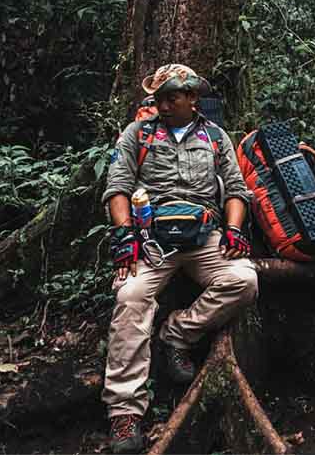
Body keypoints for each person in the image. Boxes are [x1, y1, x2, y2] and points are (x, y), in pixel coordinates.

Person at [102, 64, 257, 453]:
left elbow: (236, 189)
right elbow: (117, 186)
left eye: (172, 97)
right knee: (130, 296)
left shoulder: (215, 136)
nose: (164, 105)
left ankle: (177, 333)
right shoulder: (138, 133)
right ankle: (125, 411)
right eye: (159, 98)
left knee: (244, 281)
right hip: (153, 239)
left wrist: (235, 230)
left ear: (192, 98)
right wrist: (124, 236)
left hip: (206, 237)